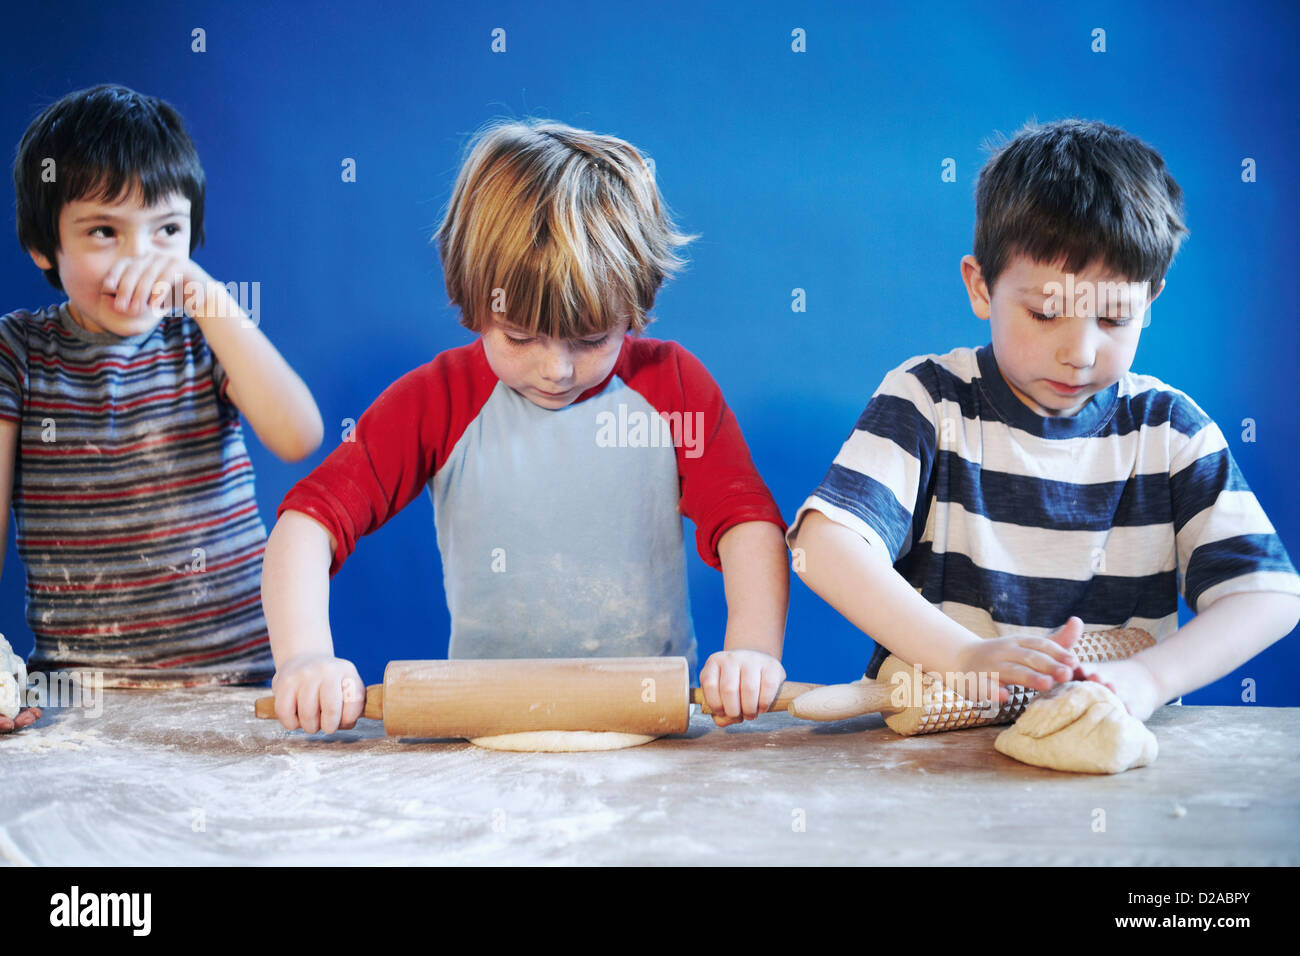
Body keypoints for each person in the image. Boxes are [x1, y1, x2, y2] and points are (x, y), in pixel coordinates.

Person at [263, 120, 789, 734]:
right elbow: (307, 525)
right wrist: (304, 658)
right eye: (519, 338)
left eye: (592, 340)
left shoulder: (671, 388)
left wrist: (753, 649)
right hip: (488, 727)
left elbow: (748, 524)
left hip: (649, 724)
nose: (557, 369)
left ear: (634, 310)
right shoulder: (441, 400)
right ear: (474, 304)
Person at [788, 119, 1300, 719]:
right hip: (935, 762)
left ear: (1150, 301)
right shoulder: (929, 402)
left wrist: (1148, 679)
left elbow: (1268, 595)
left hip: (1103, 756)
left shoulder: (1169, 432)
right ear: (981, 288)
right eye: (1044, 312)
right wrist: (965, 656)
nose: (1079, 352)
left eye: (1112, 320)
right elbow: (822, 548)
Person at [0, 85, 323, 732]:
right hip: (77, 701)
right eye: (102, 231)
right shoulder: (18, 353)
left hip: (239, 686)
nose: (140, 259)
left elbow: (298, 435)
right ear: (43, 246)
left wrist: (205, 297)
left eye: (166, 231)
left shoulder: (204, 338)